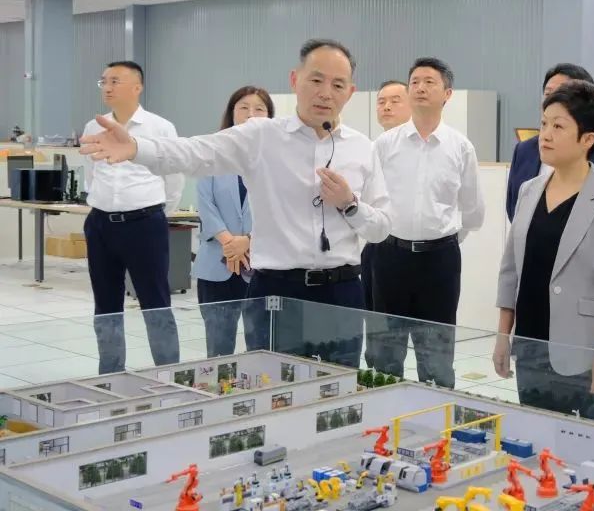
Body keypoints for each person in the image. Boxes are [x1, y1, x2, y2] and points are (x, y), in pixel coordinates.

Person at [80, 39, 391, 368]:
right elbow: (195, 153)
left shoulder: (363, 148)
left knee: (338, 389)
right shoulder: (261, 136)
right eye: (316, 80)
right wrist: (136, 148)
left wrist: (350, 204)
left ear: (350, 92)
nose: (326, 93)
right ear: (294, 80)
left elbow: (381, 228)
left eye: (337, 85)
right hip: (276, 293)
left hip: (341, 293)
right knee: (270, 387)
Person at [492, 80, 594, 420]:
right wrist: (502, 335)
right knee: (533, 434)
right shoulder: (529, 190)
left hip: (581, 348)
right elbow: (511, 271)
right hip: (530, 341)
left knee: (579, 439)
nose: (545, 135)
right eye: (544, 124)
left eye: (558, 127)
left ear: (588, 139)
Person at [370, 57, 485, 388]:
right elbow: (370, 200)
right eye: (415, 82)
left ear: (447, 93)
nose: (420, 87)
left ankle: (437, 414)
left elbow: (473, 210)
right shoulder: (384, 145)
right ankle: (383, 412)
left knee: (436, 355)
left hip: (439, 262)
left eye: (429, 82)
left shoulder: (460, 147)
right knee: (384, 353)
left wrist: (443, 240)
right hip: (389, 255)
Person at [83, 60, 182, 374]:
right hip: (101, 224)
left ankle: (168, 373)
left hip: (144, 224)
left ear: (137, 87)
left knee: (155, 302)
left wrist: (155, 214)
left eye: (115, 81)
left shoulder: (160, 128)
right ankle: (110, 373)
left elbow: (174, 179)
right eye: (104, 81)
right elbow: (91, 174)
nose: (107, 87)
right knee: (105, 304)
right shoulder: (92, 127)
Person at [506, 63, 594, 228]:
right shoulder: (524, 151)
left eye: (563, 95)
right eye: (548, 94)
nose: (553, 102)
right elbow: (513, 211)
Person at [194, 86, 273, 357]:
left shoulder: (277, 158)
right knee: (218, 346)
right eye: (244, 107)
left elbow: (280, 209)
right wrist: (230, 244)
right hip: (217, 262)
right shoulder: (214, 151)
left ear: (269, 116)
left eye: (259, 109)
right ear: (232, 113)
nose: (251, 114)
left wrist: (248, 241)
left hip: (262, 264)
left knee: (261, 345)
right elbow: (205, 203)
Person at [360, 80, 411, 367]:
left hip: (422, 250)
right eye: (381, 101)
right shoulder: (369, 149)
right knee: (380, 339)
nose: (386, 106)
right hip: (379, 248)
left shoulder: (427, 148)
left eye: (395, 100)